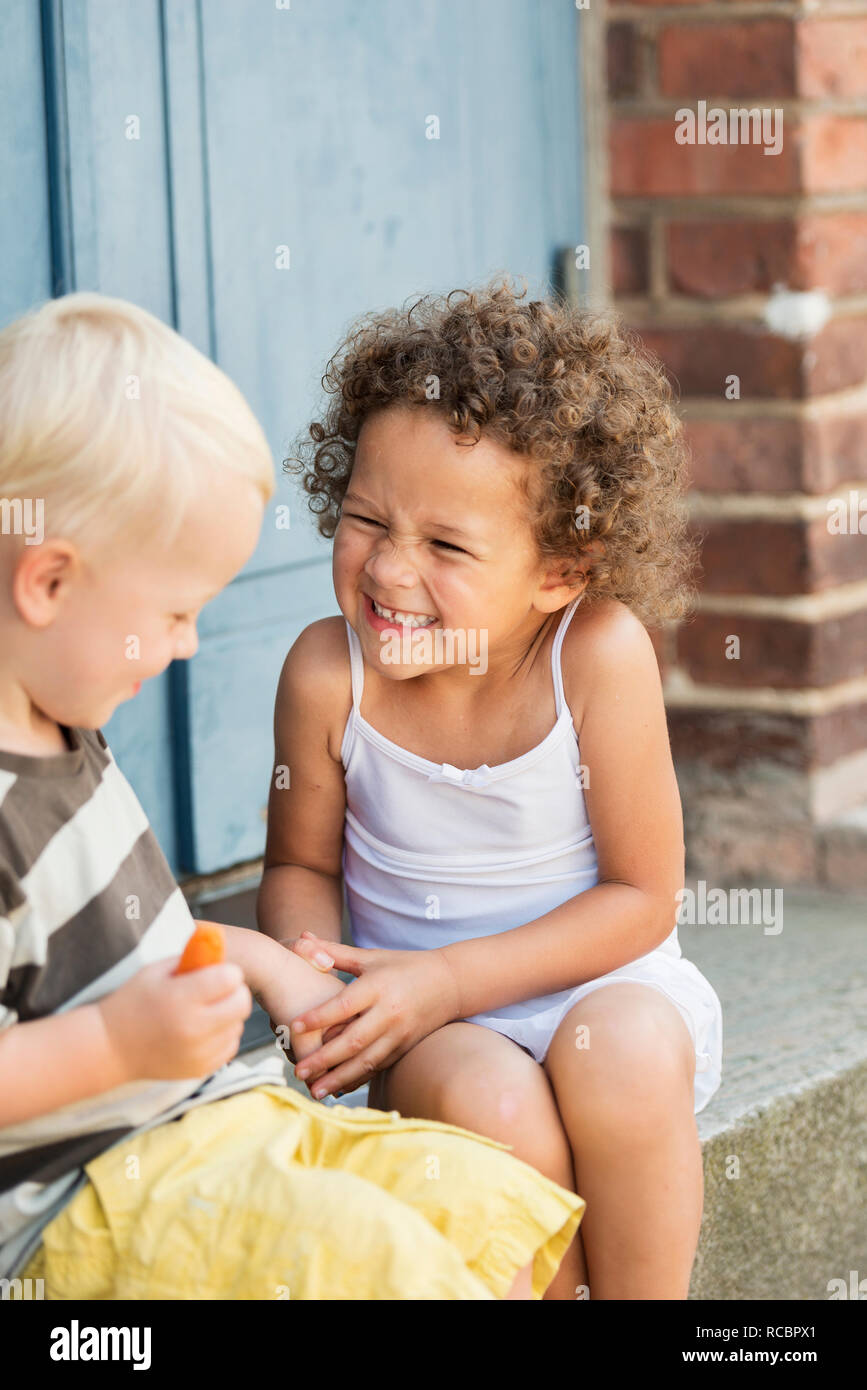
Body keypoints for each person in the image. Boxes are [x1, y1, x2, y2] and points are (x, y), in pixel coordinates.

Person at [0, 291, 584, 1301]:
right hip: (84, 1212)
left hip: (211, 1135)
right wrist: (113, 1045)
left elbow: (96, 955)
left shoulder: (66, 726)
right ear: (49, 584)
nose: (189, 645)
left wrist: (258, 958)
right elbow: (87, 1021)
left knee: (486, 1209)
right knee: (378, 1262)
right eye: (177, 612)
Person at [260, 280, 724, 1301]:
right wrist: (323, 992)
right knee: (491, 1104)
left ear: (558, 569)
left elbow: (644, 899)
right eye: (366, 518)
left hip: (595, 984)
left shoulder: (596, 656)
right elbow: (300, 864)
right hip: (431, 1023)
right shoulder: (326, 675)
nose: (388, 569)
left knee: (631, 1053)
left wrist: (459, 974)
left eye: (446, 545)